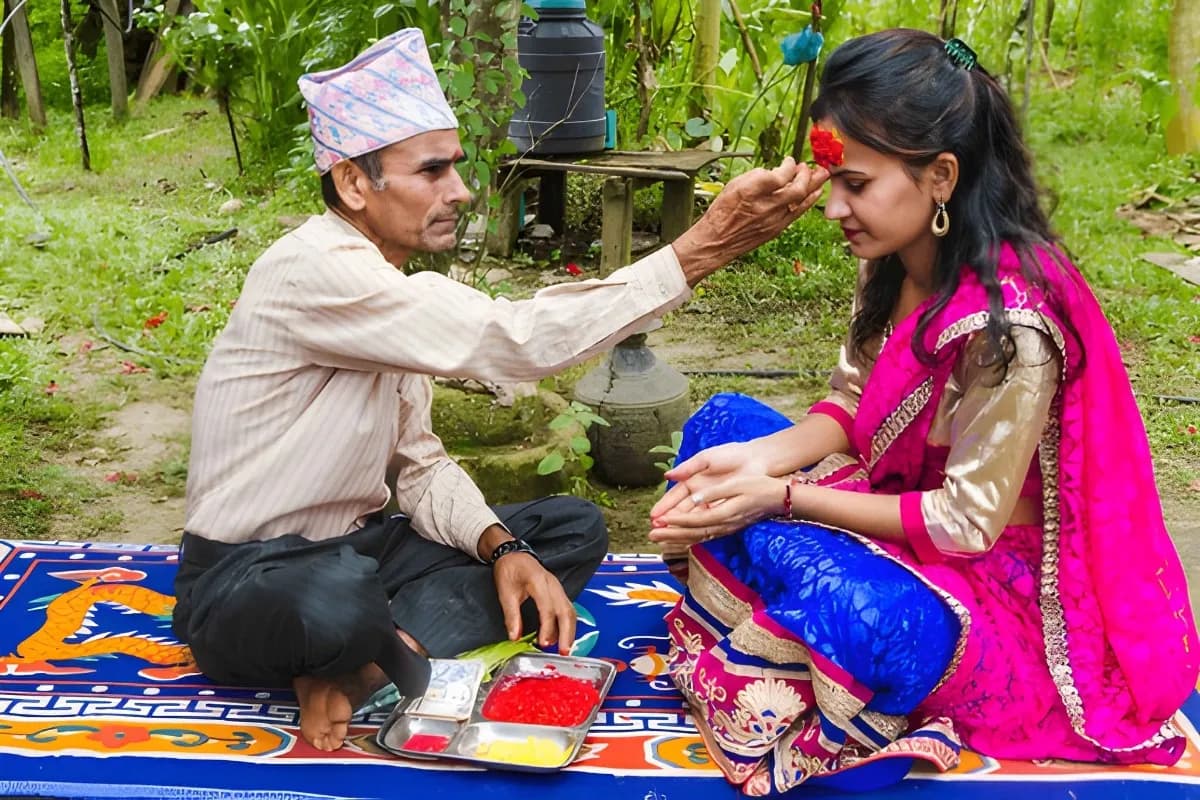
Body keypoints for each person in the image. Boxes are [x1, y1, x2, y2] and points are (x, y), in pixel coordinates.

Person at [170, 28, 828, 754]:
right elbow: (519, 341)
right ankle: (361, 641)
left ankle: (369, 662)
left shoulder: (385, 285)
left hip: (360, 551)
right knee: (332, 601)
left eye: (454, 167)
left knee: (568, 530)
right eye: (431, 171)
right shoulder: (313, 270)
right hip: (250, 576)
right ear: (355, 184)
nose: (458, 190)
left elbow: (419, 465)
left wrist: (502, 547)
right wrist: (703, 245)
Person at [648, 29, 1198, 795]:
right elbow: (850, 399)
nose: (834, 207)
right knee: (720, 429)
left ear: (940, 176)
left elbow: (964, 525)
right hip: (883, 504)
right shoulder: (891, 255)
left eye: (857, 184)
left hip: (984, 587)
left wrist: (781, 498)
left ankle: (794, 625)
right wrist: (760, 462)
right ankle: (786, 624)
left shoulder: (1012, 327)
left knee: (863, 614)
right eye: (833, 180)